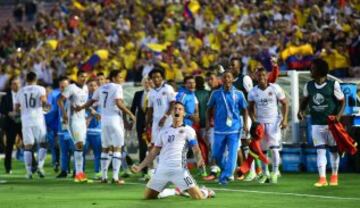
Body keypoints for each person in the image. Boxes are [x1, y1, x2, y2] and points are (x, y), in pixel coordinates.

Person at [131, 102, 215, 200]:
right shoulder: (163, 131)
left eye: (180, 109)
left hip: (180, 170)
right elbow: (153, 152)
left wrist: (200, 161)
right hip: (162, 170)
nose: (177, 110)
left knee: (198, 197)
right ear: (171, 113)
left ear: (183, 113)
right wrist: (140, 167)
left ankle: (205, 191)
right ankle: (175, 191)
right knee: (148, 197)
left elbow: (196, 149)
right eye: (175, 108)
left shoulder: (188, 130)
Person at [77, 70, 136, 184]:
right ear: (114, 78)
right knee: (117, 148)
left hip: (104, 121)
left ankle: (104, 177)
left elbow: (91, 101)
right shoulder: (117, 87)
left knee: (105, 148)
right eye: (119, 77)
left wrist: (81, 107)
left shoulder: (101, 88)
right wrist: (130, 114)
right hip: (114, 120)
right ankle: (115, 177)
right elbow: (119, 103)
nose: (121, 79)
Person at [298, 58, 345, 187]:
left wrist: (338, 116)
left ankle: (334, 176)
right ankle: (322, 178)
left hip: (331, 124)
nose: (310, 70)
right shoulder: (309, 85)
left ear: (320, 70)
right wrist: (300, 110)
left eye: (312, 68)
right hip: (316, 123)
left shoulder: (333, 85)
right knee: (320, 150)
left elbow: (342, 101)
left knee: (334, 150)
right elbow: (305, 99)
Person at [206, 71, 249, 185]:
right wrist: (207, 123)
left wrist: (245, 124)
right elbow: (209, 109)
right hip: (219, 129)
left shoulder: (239, 94)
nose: (226, 79)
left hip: (234, 129)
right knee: (216, 155)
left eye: (229, 77)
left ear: (232, 79)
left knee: (232, 153)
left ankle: (225, 177)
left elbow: (245, 109)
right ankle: (227, 170)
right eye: (224, 77)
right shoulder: (215, 93)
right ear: (221, 79)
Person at [248, 67, 288, 184]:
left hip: (274, 122)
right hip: (261, 123)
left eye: (264, 75)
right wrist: (254, 121)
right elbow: (250, 108)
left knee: (274, 148)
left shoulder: (275, 88)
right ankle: (265, 174)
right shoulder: (253, 91)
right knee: (263, 150)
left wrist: (285, 119)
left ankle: (275, 172)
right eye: (259, 76)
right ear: (256, 77)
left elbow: (285, 103)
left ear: (267, 76)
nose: (262, 78)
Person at [14, 72, 49, 179]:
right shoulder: (40, 89)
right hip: (38, 119)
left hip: (26, 120)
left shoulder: (20, 91)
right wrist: (46, 107)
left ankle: (29, 172)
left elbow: (16, 108)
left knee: (28, 146)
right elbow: (43, 101)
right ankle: (40, 166)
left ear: (26, 79)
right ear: (36, 79)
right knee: (43, 143)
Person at [57, 70, 89, 182]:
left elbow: (84, 103)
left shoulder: (86, 88)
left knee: (81, 147)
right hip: (73, 120)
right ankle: (79, 174)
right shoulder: (71, 88)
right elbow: (59, 100)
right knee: (79, 145)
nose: (84, 78)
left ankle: (79, 173)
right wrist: (65, 114)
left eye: (85, 76)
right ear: (77, 77)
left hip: (82, 121)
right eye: (81, 76)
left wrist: (93, 112)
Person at [146, 68, 176, 145]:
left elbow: (173, 103)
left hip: (168, 120)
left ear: (162, 78)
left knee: (167, 142)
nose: (156, 79)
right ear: (151, 79)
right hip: (156, 121)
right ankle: (158, 157)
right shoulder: (151, 92)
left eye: (158, 77)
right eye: (154, 77)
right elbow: (150, 109)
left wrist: (165, 117)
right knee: (155, 143)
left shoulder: (168, 88)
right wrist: (147, 123)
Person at [130, 76, 153, 180]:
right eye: (145, 81)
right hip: (140, 124)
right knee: (143, 147)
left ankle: (154, 171)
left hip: (153, 124)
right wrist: (130, 121)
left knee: (154, 147)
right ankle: (144, 172)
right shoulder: (138, 94)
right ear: (142, 83)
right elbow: (133, 108)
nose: (147, 83)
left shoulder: (155, 94)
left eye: (149, 81)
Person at [0, 76, 22, 174]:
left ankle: (33, 166)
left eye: (18, 83)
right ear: (10, 85)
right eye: (14, 83)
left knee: (28, 144)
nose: (16, 85)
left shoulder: (23, 94)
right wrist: (9, 113)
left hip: (22, 122)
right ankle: (8, 167)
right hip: (10, 123)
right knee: (9, 146)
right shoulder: (6, 96)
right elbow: (1, 108)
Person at [56, 76, 75, 178]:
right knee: (63, 151)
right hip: (61, 128)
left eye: (65, 86)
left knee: (75, 150)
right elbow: (55, 113)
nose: (63, 89)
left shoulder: (74, 96)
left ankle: (77, 170)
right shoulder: (58, 97)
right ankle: (64, 170)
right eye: (61, 87)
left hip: (72, 127)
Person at [83, 78, 102, 179]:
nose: (93, 87)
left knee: (98, 153)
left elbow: (98, 113)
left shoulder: (101, 98)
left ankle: (97, 172)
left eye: (95, 85)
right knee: (82, 152)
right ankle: (80, 172)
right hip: (85, 130)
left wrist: (91, 113)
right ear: (87, 86)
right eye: (91, 85)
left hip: (97, 130)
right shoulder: (84, 98)